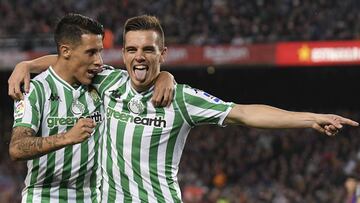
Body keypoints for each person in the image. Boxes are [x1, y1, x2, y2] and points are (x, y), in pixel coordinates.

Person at [8, 15, 359, 203]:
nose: (139, 56)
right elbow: (67, 61)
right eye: (131, 49)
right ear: (124, 54)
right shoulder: (108, 82)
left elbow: (244, 112)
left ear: (163, 54)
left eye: (148, 49)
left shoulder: (182, 98)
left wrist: (311, 118)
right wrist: (27, 66)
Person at [8, 13, 174, 203]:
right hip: (44, 196)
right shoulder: (34, 89)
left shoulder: (101, 81)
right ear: (66, 51)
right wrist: (66, 137)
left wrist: (165, 76)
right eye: (91, 52)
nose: (99, 61)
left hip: (93, 197)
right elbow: (17, 148)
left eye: (99, 52)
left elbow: (143, 75)